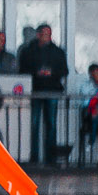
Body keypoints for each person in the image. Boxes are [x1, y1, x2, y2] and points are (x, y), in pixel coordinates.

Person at [19, 21, 68, 162]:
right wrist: (37, 73)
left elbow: (64, 70)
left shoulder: (57, 51)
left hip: (52, 91)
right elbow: (22, 70)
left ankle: (50, 157)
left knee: (51, 125)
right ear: (38, 34)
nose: (47, 37)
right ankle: (33, 156)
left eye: (49, 34)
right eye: (44, 34)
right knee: (33, 125)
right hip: (34, 91)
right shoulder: (28, 51)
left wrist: (51, 73)